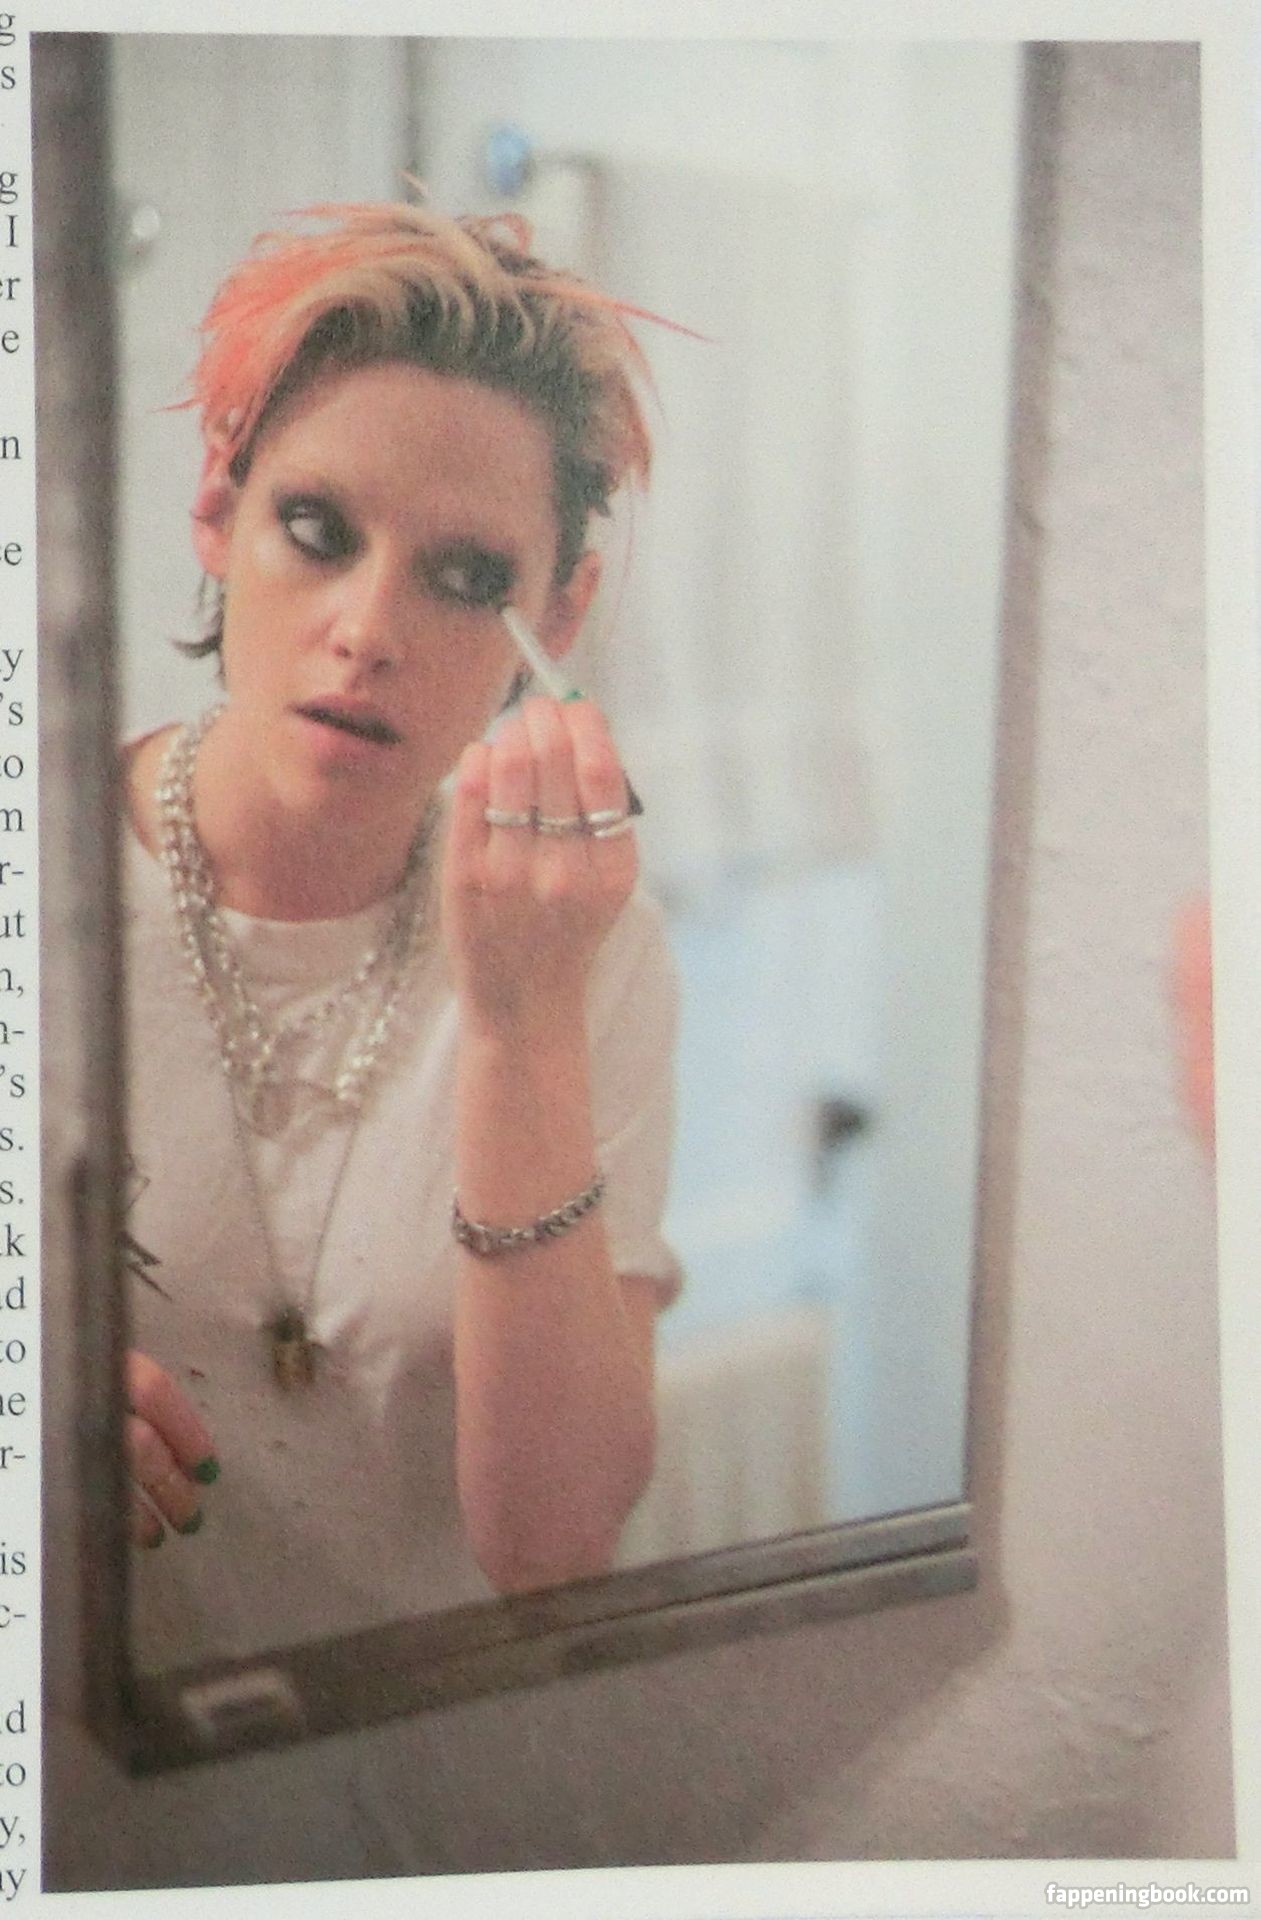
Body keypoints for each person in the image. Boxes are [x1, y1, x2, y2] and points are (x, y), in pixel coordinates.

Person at [120, 197, 681, 1665]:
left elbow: (553, 1548)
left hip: (443, 1757)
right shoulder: (44, 883)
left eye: (466, 575)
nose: (369, 627)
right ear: (217, 510)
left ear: (561, 606)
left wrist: (520, 1021)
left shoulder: (588, 943)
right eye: (316, 530)